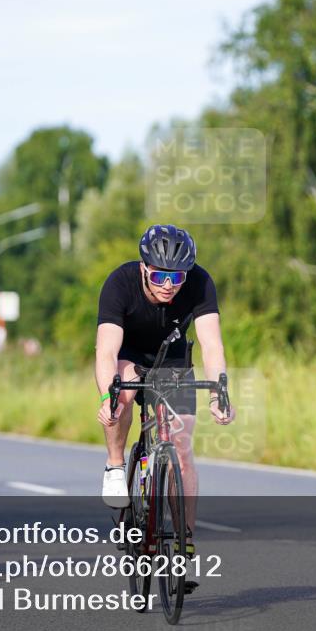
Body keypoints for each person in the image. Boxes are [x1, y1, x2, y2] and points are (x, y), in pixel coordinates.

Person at [95, 224, 235, 592]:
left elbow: (212, 344)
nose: (169, 284)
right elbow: (106, 350)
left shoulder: (200, 282)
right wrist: (108, 394)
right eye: (159, 275)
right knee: (121, 396)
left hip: (173, 362)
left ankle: (184, 541)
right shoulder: (120, 282)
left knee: (183, 443)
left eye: (177, 276)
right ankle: (114, 463)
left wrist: (219, 391)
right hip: (130, 358)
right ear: (143, 268)